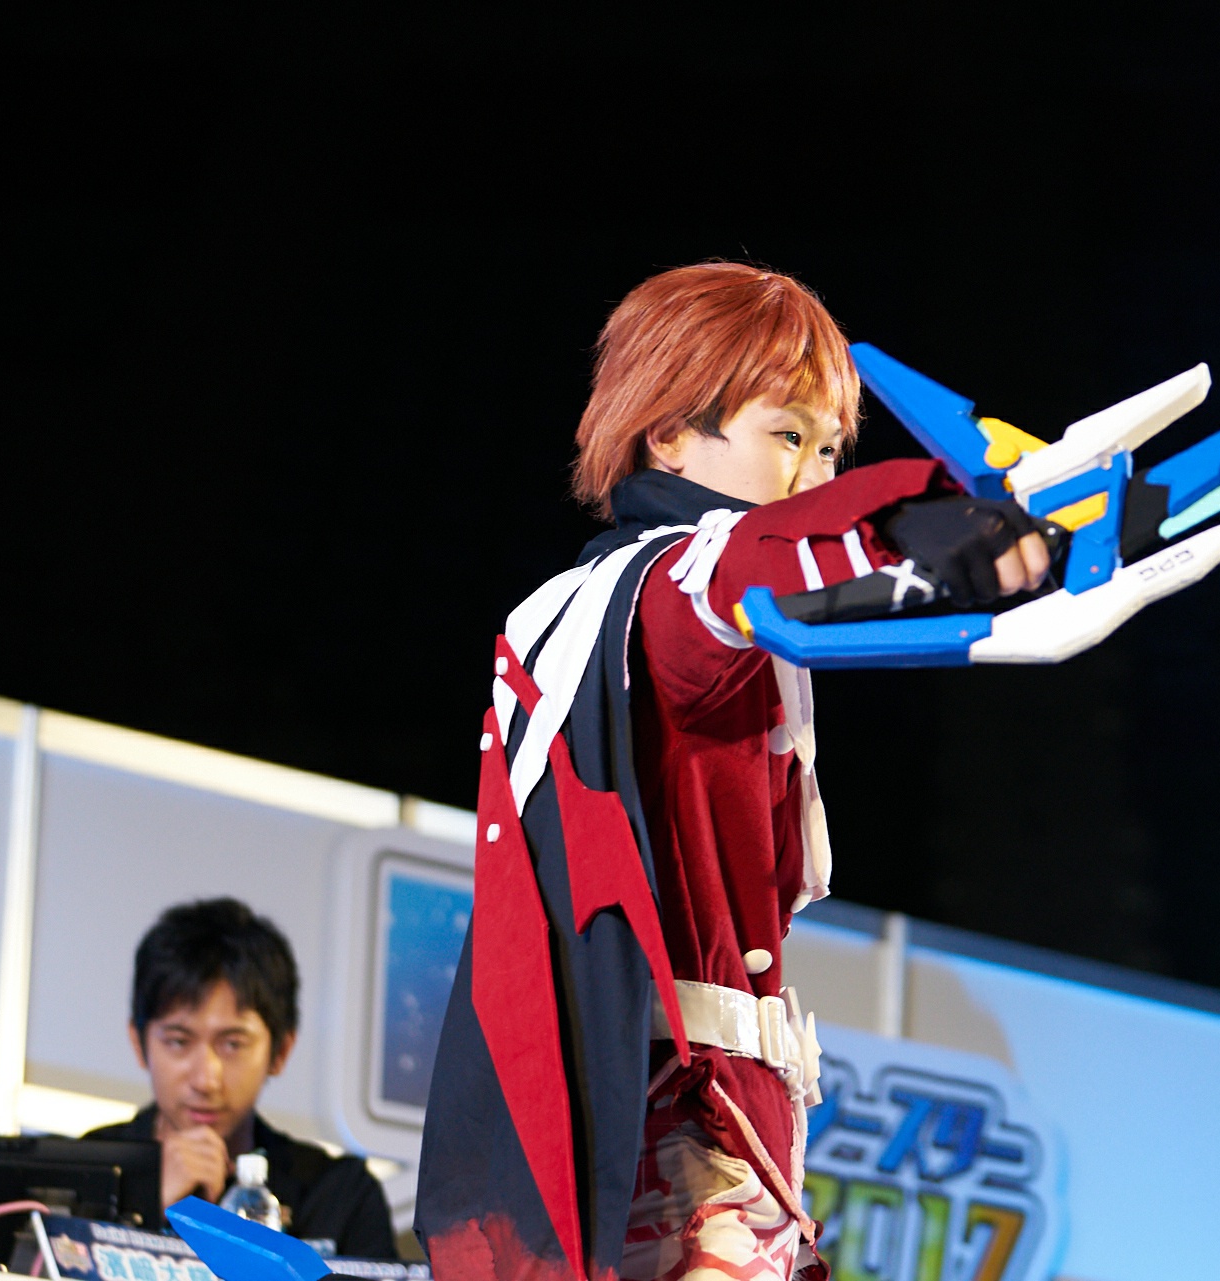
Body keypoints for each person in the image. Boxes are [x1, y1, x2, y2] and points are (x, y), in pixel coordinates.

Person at [415, 263, 1049, 1281]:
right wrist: (914, 522)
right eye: (785, 435)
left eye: (830, 449)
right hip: (671, 1124)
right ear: (668, 431)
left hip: (726, 1125)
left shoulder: (688, 611)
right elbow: (740, 569)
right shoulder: (659, 596)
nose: (811, 474)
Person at [86, 898, 396, 1259]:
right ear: (139, 1043)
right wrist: (146, 1209)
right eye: (179, 1042)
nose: (206, 1079)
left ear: (280, 1051)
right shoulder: (87, 1171)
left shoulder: (339, 1196)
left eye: (232, 1044)